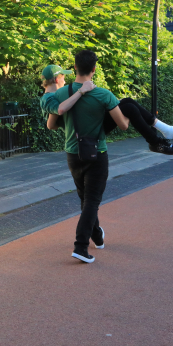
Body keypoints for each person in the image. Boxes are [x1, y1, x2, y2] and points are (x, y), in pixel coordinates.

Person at [39, 51, 143, 263]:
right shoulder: (104, 94)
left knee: (85, 200)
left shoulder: (61, 94)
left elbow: (50, 125)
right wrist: (129, 116)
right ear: (94, 69)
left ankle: (97, 235)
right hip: (97, 153)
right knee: (92, 202)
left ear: (75, 67)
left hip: (72, 154)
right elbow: (123, 126)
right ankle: (80, 246)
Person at [42, 69, 173, 156]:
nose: (65, 79)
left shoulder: (60, 94)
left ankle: (164, 130)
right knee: (129, 108)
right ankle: (156, 141)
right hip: (89, 130)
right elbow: (55, 118)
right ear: (57, 79)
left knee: (128, 101)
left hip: (88, 126)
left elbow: (52, 123)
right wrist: (82, 90)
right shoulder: (51, 97)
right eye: (63, 76)